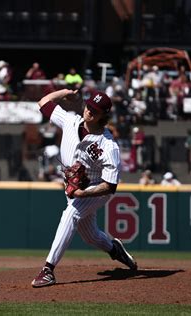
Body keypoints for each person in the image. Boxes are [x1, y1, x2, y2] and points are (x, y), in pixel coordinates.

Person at [31, 89, 137, 288]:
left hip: (95, 188)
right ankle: (115, 249)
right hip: (73, 187)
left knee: (71, 214)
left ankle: (48, 270)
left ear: (103, 116)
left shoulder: (108, 146)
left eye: (95, 110)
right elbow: (43, 102)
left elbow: (111, 185)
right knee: (90, 236)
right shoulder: (70, 120)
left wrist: (83, 193)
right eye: (89, 106)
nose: (89, 111)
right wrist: (64, 93)